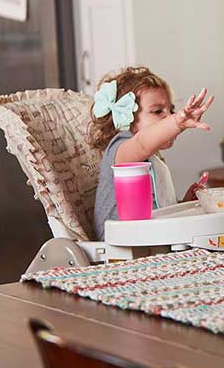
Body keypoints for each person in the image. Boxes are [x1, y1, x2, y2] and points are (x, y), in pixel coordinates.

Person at [88, 66, 213, 240]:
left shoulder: (154, 160)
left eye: (171, 110)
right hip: (120, 249)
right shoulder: (120, 150)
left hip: (152, 242)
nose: (168, 116)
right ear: (126, 118)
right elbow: (142, 143)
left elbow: (158, 212)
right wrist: (177, 122)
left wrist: (184, 204)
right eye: (157, 111)